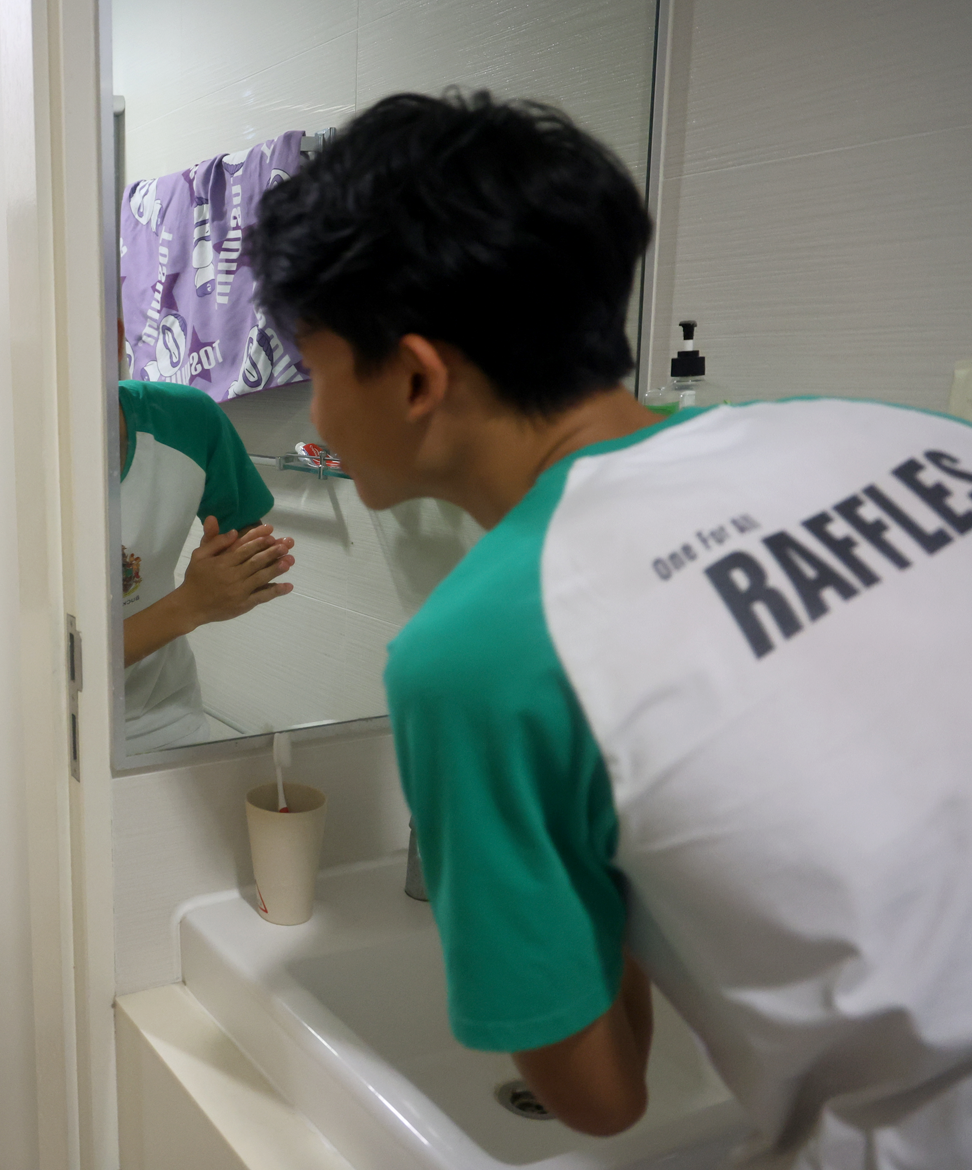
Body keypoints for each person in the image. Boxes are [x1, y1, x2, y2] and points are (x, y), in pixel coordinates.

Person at [252, 90, 972, 1167]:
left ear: (414, 376)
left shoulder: (479, 654)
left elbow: (598, 1100)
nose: (313, 416)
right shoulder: (914, 436)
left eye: (313, 372)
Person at [117, 371, 296, 754]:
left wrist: (243, 569)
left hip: (167, 719)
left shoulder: (186, 418)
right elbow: (58, 665)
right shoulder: (2, 466)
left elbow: (248, 542)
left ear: (113, 337)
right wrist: (191, 604)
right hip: (46, 731)